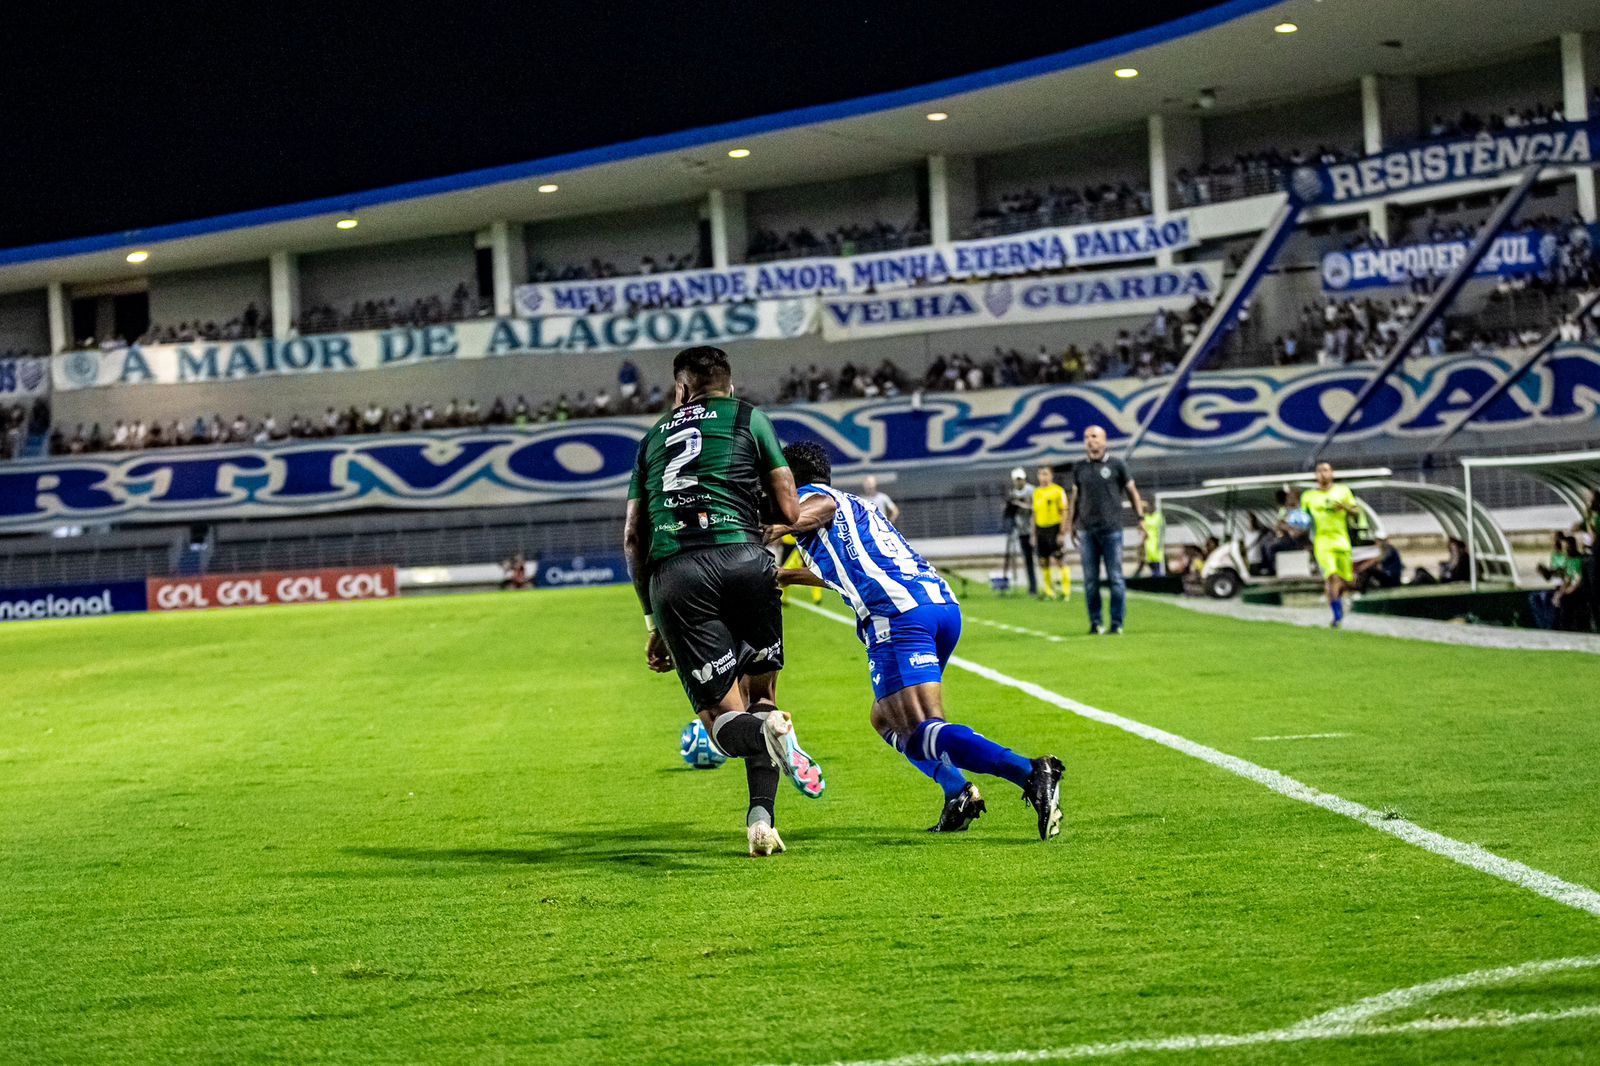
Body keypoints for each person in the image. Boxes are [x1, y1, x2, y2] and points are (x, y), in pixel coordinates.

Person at [770, 441, 1064, 840]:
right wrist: (786, 576)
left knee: (921, 731)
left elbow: (817, 508)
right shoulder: (858, 504)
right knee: (885, 718)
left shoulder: (811, 499)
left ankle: (1030, 771)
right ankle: (957, 791)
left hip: (897, 616)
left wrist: (772, 527)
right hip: (939, 607)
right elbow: (840, 568)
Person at [622, 346, 826, 857]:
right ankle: (762, 817)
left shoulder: (650, 442)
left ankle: (766, 744)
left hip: (678, 576)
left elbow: (632, 539)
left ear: (681, 390)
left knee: (722, 719)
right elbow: (787, 507)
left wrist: (654, 621)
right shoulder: (749, 418)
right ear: (728, 386)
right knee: (764, 700)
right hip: (746, 563)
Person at [1069, 426, 1143, 635]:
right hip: (1087, 531)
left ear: (1104, 441)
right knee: (1091, 581)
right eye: (1086, 437)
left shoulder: (1117, 465)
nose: (1089, 440)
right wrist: (1071, 525)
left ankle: (1117, 623)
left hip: (1111, 530)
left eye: (1094, 436)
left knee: (1115, 578)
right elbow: (1075, 498)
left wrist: (1141, 519)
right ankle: (1095, 622)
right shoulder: (1080, 468)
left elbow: (1133, 492)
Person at [1300, 461, 1362, 627]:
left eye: (1326, 470)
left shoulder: (1343, 491)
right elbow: (1302, 520)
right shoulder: (1308, 496)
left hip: (1341, 540)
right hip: (1322, 541)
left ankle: (1337, 602)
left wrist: (1346, 508)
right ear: (1316, 475)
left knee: (1345, 580)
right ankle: (1337, 616)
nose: (1323, 474)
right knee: (1332, 576)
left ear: (1332, 473)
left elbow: (1356, 512)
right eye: (1320, 471)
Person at [1032, 465, 1070, 601]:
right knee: (1043, 561)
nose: (1043, 477)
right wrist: (1033, 534)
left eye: (1046, 474)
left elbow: (1064, 511)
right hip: (1041, 529)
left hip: (1054, 528)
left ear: (1051, 476)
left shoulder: (1058, 491)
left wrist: (1062, 532)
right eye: (1041, 474)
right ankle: (1049, 592)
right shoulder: (1036, 492)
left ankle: (1065, 592)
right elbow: (1035, 513)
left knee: (1060, 559)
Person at [1003, 467, 1038, 596]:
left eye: (1020, 479)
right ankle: (1032, 587)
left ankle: (1049, 584)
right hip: (1022, 530)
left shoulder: (1031, 491)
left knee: (1041, 558)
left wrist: (1021, 504)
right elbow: (1009, 512)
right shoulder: (1012, 493)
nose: (1018, 482)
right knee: (1028, 559)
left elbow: (1035, 507)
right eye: (1016, 480)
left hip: (1034, 529)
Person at [1136, 502, 1166, 577]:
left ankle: (1157, 575)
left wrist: (1161, 541)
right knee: (1146, 561)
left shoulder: (1159, 517)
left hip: (1157, 543)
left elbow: (1162, 530)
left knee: (1156, 562)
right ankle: (1154, 575)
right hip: (1147, 543)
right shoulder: (1145, 517)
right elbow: (1140, 529)